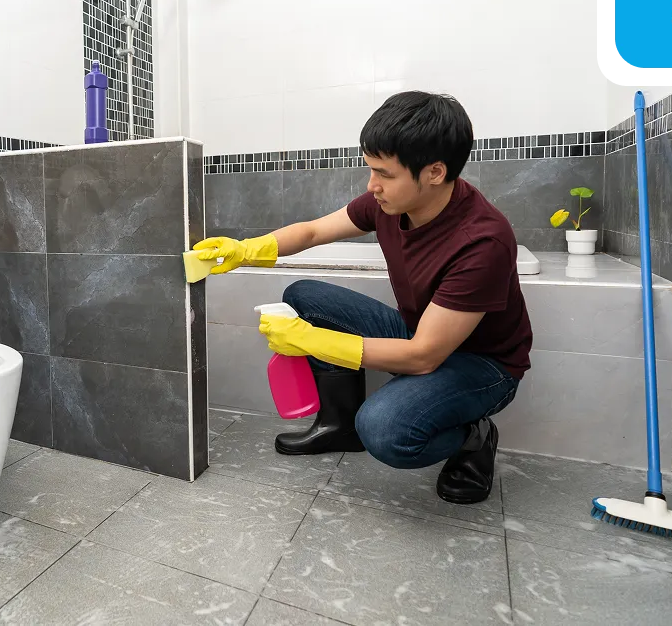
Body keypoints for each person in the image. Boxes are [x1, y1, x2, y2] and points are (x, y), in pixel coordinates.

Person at [193, 91, 532, 504]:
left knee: (384, 430)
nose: (372, 185)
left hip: (482, 365)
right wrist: (245, 249)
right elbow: (314, 231)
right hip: (419, 332)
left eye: (384, 174)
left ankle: (473, 436)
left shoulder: (482, 241)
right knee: (304, 295)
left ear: (435, 172)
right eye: (371, 169)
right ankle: (339, 426)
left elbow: (424, 356)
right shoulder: (388, 204)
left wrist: (311, 341)